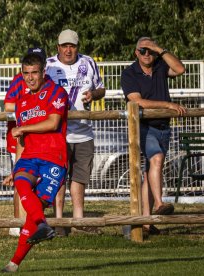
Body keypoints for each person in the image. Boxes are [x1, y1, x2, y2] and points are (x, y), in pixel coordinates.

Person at [1, 52, 69, 273]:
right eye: (26, 73)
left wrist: (23, 128)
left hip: (54, 157)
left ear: (43, 72)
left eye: (34, 73)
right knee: (20, 181)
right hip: (30, 156)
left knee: (34, 210)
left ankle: (14, 263)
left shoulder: (57, 92)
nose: (30, 78)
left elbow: (53, 122)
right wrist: (16, 166)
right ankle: (43, 224)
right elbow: (22, 139)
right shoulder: (21, 103)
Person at [121, 37, 186, 235]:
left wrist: (160, 49)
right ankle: (159, 203)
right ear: (136, 53)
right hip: (144, 127)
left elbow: (180, 69)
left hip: (163, 126)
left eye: (150, 51)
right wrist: (167, 105)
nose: (147, 54)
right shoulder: (129, 73)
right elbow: (137, 101)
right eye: (143, 50)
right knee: (156, 159)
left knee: (151, 172)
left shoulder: (160, 65)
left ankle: (146, 224)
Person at [45, 29, 105, 235]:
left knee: (80, 177)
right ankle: (59, 221)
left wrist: (93, 94)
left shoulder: (88, 62)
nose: (68, 50)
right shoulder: (48, 65)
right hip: (57, 132)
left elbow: (101, 88)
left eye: (72, 46)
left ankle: (79, 219)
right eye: (64, 46)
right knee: (59, 177)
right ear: (58, 47)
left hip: (84, 131)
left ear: (78, 46)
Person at [3, 47, 48, 238]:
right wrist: (30, 106)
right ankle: (17, 223)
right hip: (20, 137)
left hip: (41, 139)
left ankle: (33, 222)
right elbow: (8, 105)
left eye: (36, 65)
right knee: (20, 178)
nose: (30, 75)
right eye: (27, 69)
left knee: (37, 181)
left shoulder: (49, 83)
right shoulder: (17, 80)